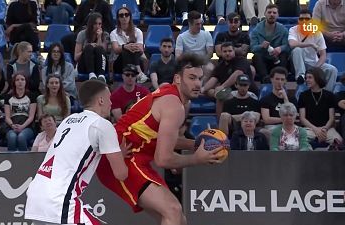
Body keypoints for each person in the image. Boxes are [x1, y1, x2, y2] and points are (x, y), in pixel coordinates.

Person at [97, 53, 228, 225]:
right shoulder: (174, 105)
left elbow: (162, 137)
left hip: (134, 156)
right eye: (192, 78)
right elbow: (163, 159)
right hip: (122, 157)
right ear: (178, 79)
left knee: (179, 220)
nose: (197, 83)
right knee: (173, 210)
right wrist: (196, 159)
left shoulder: (174, 98)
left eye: (200, 78)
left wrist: (197, 143)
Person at [25, 80, 128, 225]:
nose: (111, 103)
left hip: (35, 195)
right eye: (109, 98)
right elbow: (121, 174)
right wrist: (120, 157)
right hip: (60, 199)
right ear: (101, 100)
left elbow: (76, 155)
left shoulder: (68, 120)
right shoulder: (102, 125)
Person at [202, 42, 257, 117]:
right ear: (221, 53)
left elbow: (238, 73)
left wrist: (223, 86)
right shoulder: (220, 65)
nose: (227, 53)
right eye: (225, 51)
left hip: (246, 92)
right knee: (210, 91)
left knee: (220, 95)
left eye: (230, 51)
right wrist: (203, 89)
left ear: (234, 51)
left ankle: (220, 121)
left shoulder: (241, 60)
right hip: (230, 93)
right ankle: (220, 121)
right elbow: (213, 79)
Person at [288, 9, 337, 90]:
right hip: (298, 64)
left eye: (307, 19)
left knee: (332, 70)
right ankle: (301, 76)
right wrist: (310, 44)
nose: (304, 21)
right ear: (298, 20)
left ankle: (326, 94)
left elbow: (323, 55)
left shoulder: (317, 32)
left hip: (313, 63)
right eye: (301, 19)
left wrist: (315, 68)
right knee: (297, 49)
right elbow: (292, 44)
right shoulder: (293, 30)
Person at [298, 67, 343, 147]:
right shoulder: (303, 95)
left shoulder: (329, 95)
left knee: (338, 140)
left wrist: (324, 129)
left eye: (310, 77)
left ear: (317, 78)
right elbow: (302, 118)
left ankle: (328, 153)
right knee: (298, 139)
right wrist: (316, 129)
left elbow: (331, 118)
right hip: (309, 128)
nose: (307, 80)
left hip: (327, 129)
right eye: (306, 78)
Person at [250, 4, 290, 83]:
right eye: (269, 12)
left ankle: (281, 78)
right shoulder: (256, 30)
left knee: (284, 54)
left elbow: (288, 46)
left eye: (274, 13)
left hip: (277, 59)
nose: (272, 14)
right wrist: (261, 46)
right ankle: (265, 79)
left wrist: (280, 48)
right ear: (265, 14)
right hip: (263, 60)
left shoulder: (283, 30)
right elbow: (252, 48)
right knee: (257, 55)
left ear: (278, 15)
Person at [110, 7, 148, 83]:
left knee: (130, 47)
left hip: (137, 60)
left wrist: (131, 46)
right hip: (119, 64)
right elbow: (116, 50)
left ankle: (136, 70)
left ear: (130, 16)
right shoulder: (113, 33)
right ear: (118, 18)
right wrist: (125, 46)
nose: (124, 17)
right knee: (125, 49)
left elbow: (140, 49)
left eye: (126, 15)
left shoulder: (138, 31)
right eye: (121, 15)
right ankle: (139, 72)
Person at [4, 73, 37, 151]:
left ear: (26, 82)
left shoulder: (31, 96)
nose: (20, 82)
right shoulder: (8, 97)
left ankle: (24, 161)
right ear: (14, 83)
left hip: (27, 127)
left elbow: (31, 117)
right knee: (12, 137)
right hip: (12, 127)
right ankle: (11, 161)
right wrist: (12, 125)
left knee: (21, 137)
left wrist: (22, 126)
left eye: (22, 79)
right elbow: (7, 117)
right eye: (17, 80)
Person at [260, 66, 297, 133]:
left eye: (282, 79)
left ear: (285, 81)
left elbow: (293, 116)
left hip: (289, 126)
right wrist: (285, 119)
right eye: (277, 79)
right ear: (271, 79)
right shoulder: (265, 99)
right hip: (272, 127)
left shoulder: (292, 99)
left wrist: (285, 99)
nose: (279, 82)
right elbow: (266, 119)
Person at [75, 12, 109, 82]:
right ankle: (91, 74)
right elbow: (76, 57)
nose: (97, 26)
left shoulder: (105, 34)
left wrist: (99, 37)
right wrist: (87, 49)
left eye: (99, 24)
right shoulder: (82, 34)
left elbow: (104, 52)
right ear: (90, 24)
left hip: (100, 65)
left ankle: (101, 76)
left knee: (99, 48)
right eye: (95, 23)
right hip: (85, 66)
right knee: (89, 47)